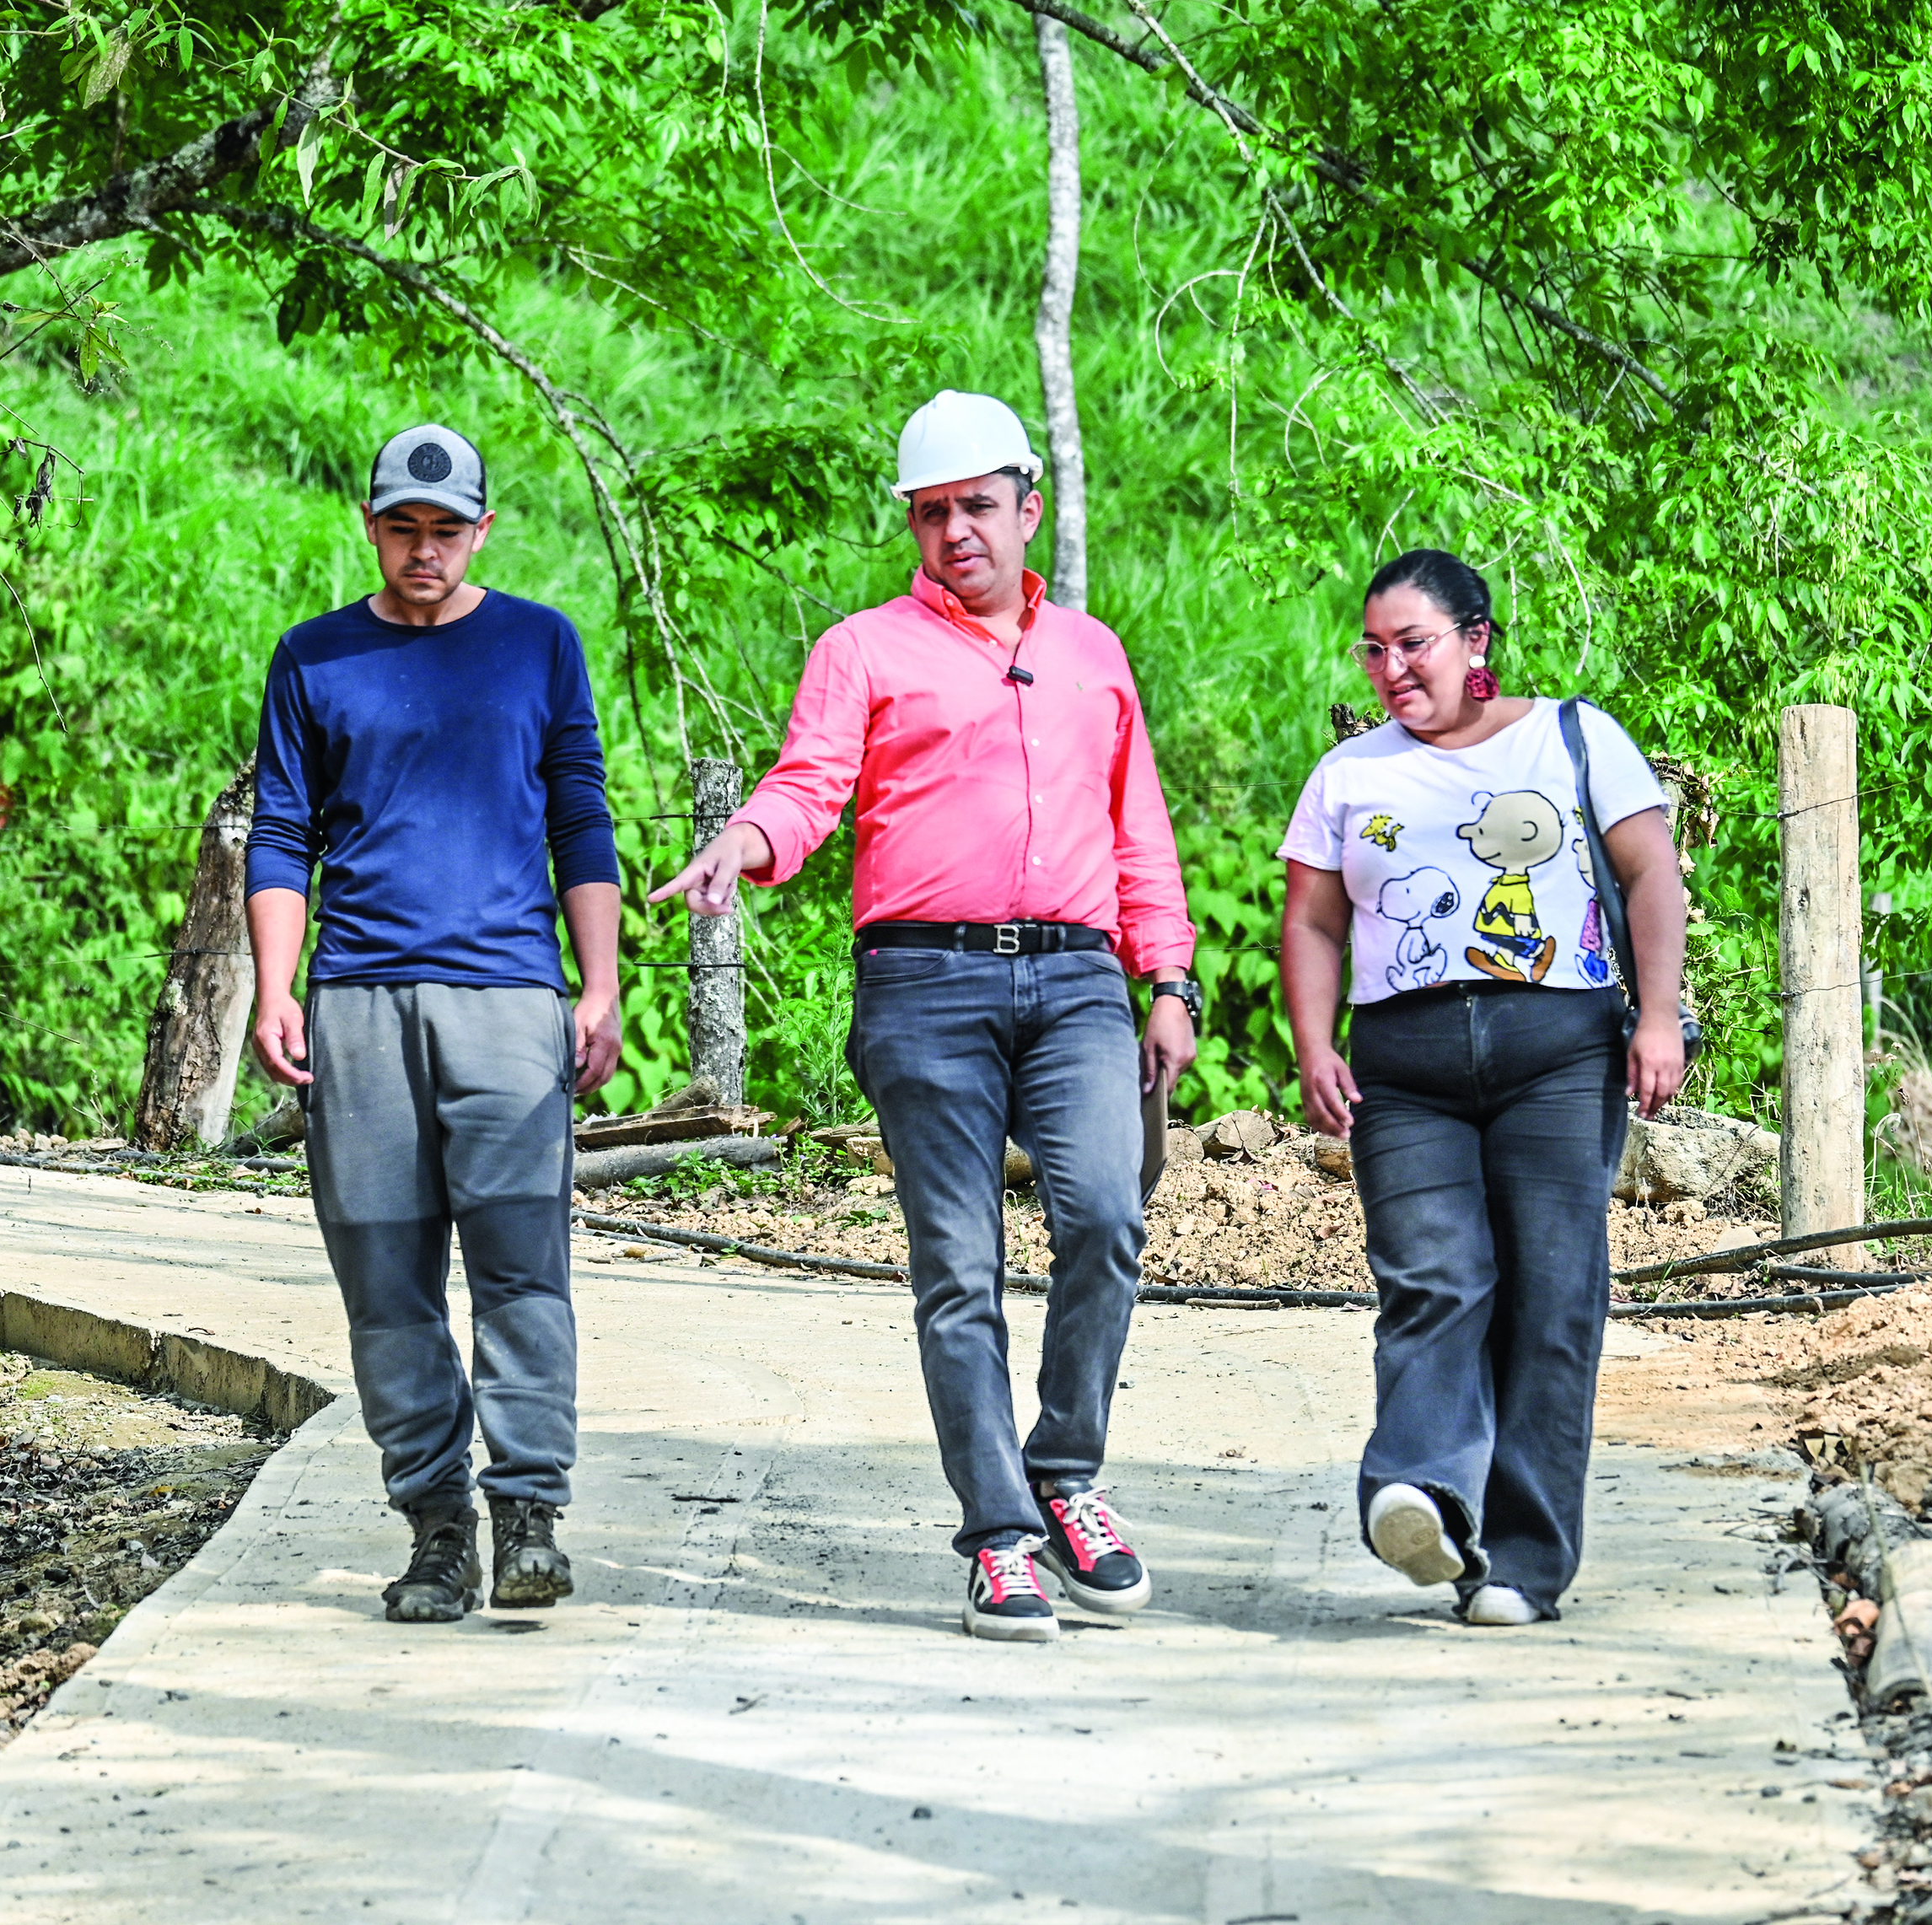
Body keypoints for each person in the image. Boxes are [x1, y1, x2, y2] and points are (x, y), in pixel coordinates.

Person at [650, 391, 1199, 1643]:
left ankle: (1068, 1480)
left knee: (1107, 1219)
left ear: (1027, 509)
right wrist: (747, 839)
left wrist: (1164, 978)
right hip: (924, 983)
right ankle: (1000, 1536)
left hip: (1075, 983)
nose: (955, 531)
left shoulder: (1092, 653)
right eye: (932, 511)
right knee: (958, 1266)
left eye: (976, 507)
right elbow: (809, 783)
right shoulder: (863, 649)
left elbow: (1138, 832)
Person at [245, 423, 626, 1624]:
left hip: (511, 998)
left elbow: (581, 815)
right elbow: (279, 834)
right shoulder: (315, 660)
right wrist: (275, 985)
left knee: (523, 1272)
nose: (423, 550)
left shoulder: (538, 645)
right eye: (402, 528)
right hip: (358, 1001)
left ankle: (528, 1514)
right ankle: (437, 1528)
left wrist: (599, 982)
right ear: (371, 523)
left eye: (445, 530)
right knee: (387, 1283)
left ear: (481, 529)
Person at [1275, 548, 1688, 1626]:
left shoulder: (1573, 736)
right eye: (1374, 649)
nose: (1390, 667)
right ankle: (1420, 1492)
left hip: (1557, 1046)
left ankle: (1520, 1563)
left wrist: (1654, 1018)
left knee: (1552, 1296)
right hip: (1403, 1065)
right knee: (1432, 1276)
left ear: (1475, 641)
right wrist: (1314, 1045)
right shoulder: (1348, 774)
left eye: (1412, 643)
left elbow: (1649, 873)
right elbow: (1314, 921)